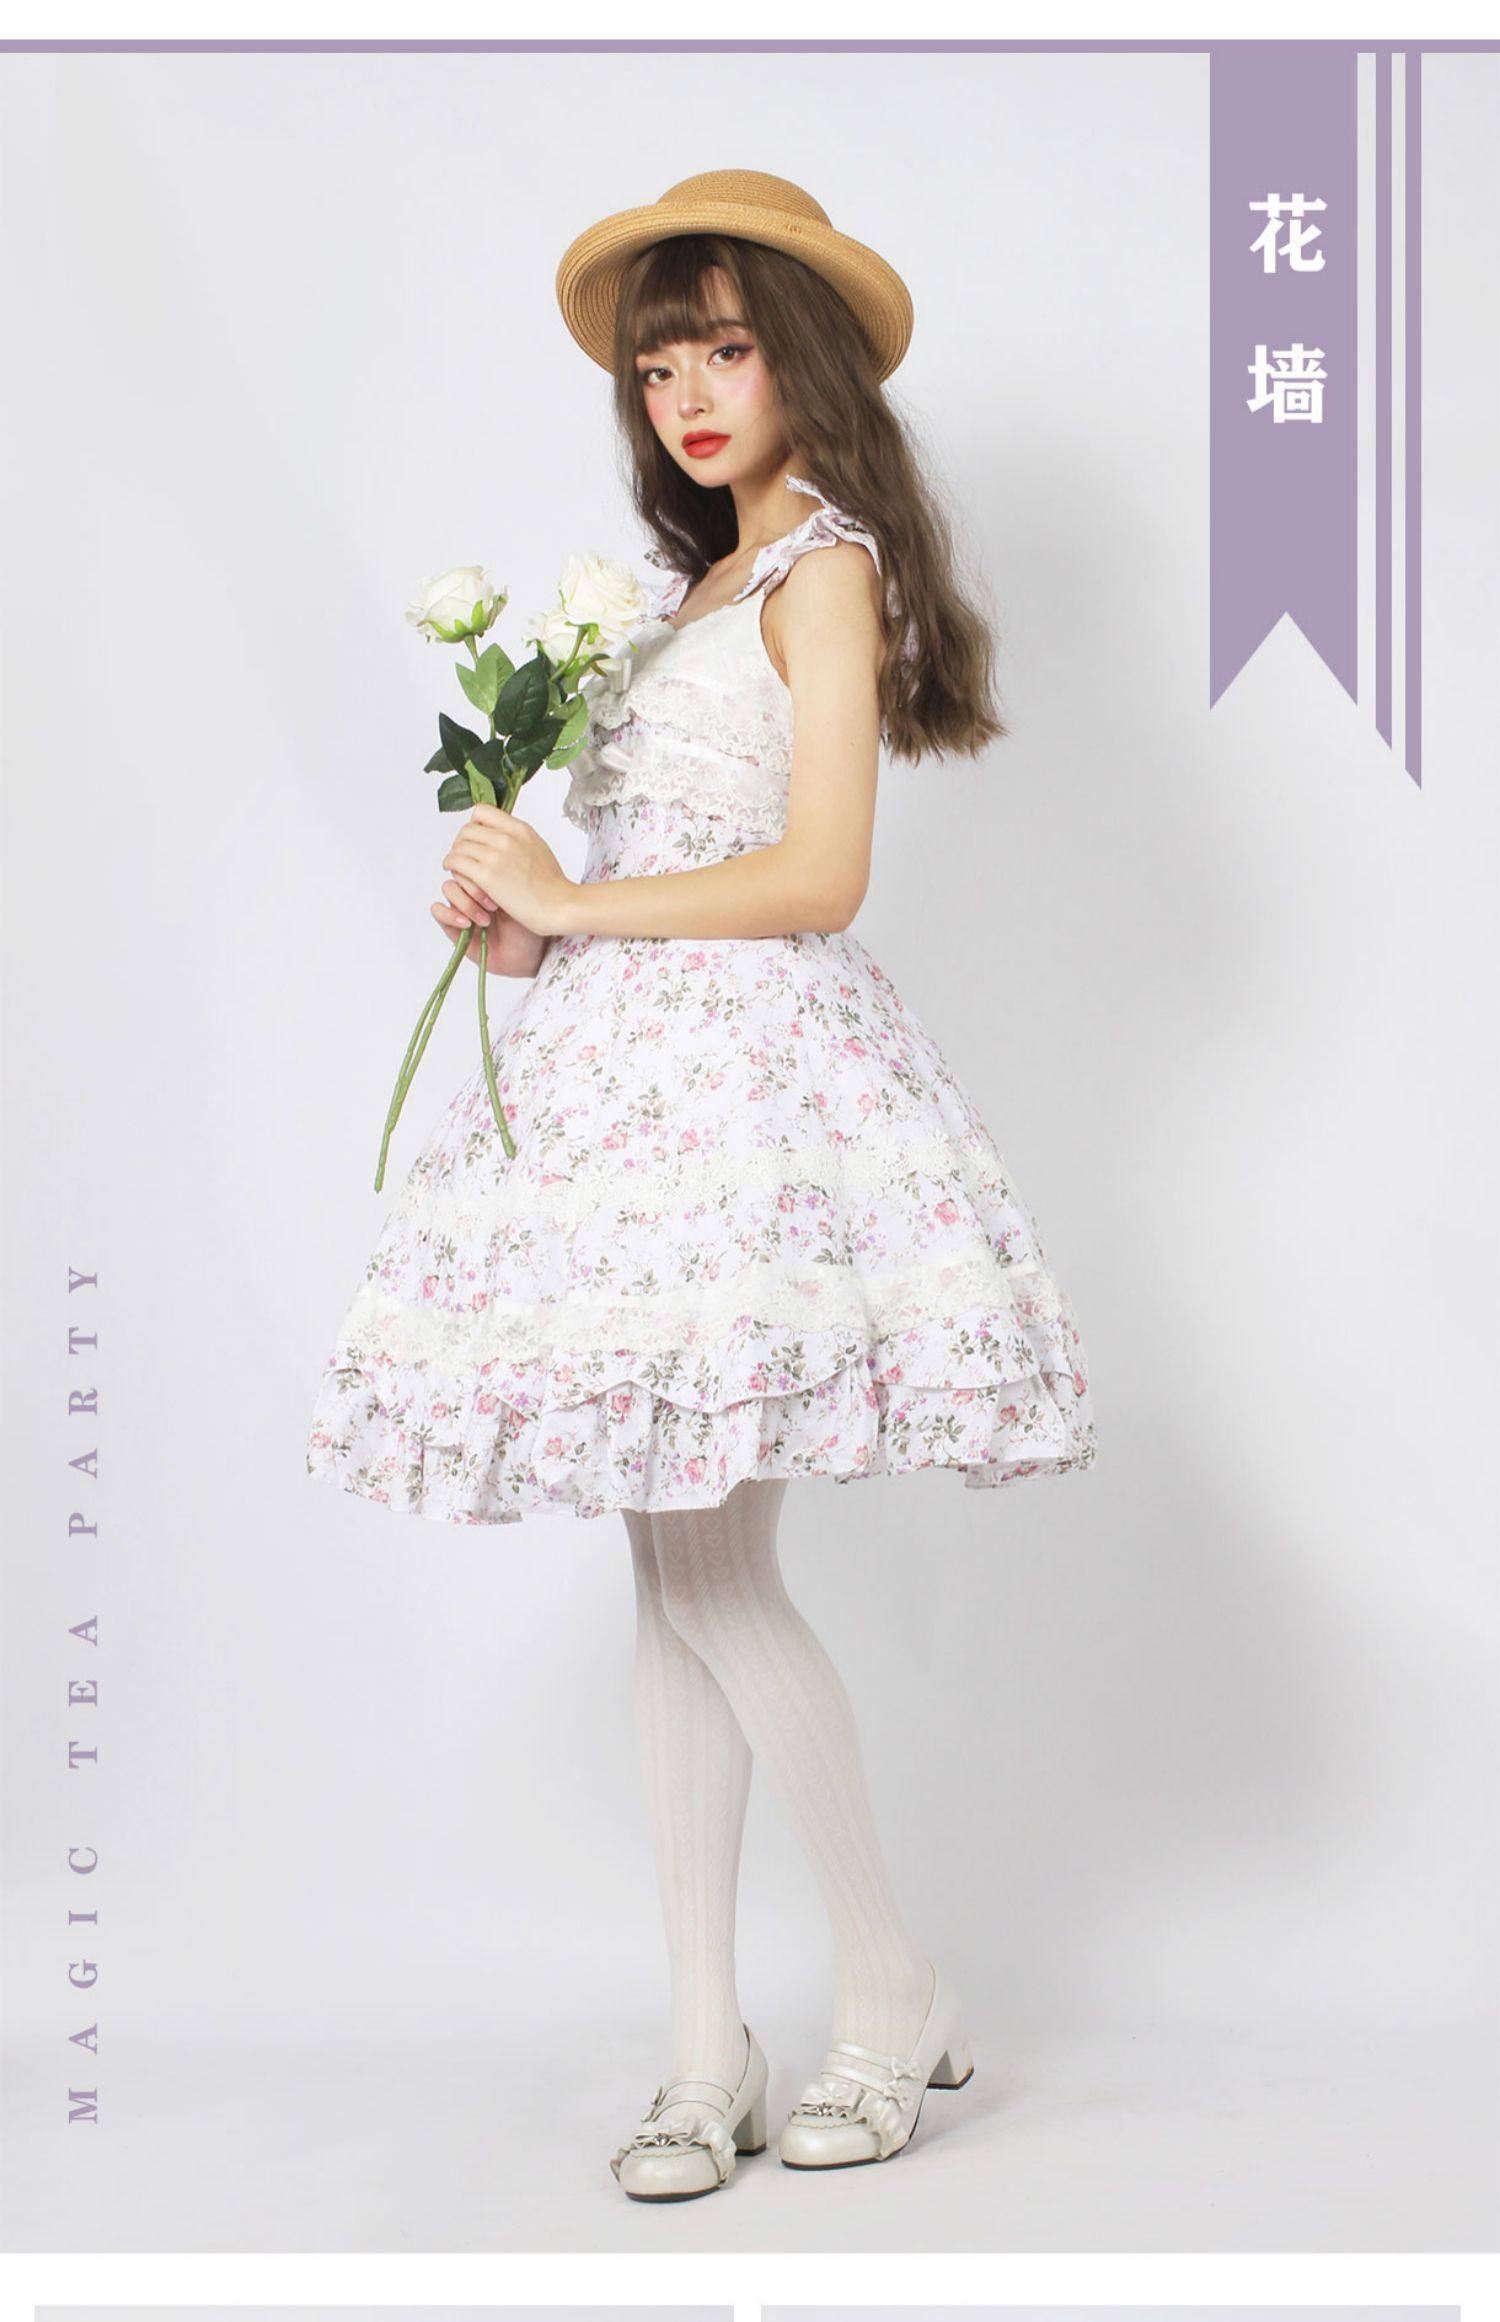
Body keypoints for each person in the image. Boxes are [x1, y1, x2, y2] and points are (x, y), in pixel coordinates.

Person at [306, 168, 1097, 2202]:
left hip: (749, 1091)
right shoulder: (683, 598)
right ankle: (701, 2046)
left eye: (724, 351)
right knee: (668, 1577)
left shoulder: (822, 570)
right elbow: (645, 873)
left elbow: (820, 875)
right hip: (629, 1086)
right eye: (660, 369)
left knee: (714, 1577)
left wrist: (582, 902)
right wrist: (530, 923)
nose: (689, 397)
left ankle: (889, 1988)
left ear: (803, 360)